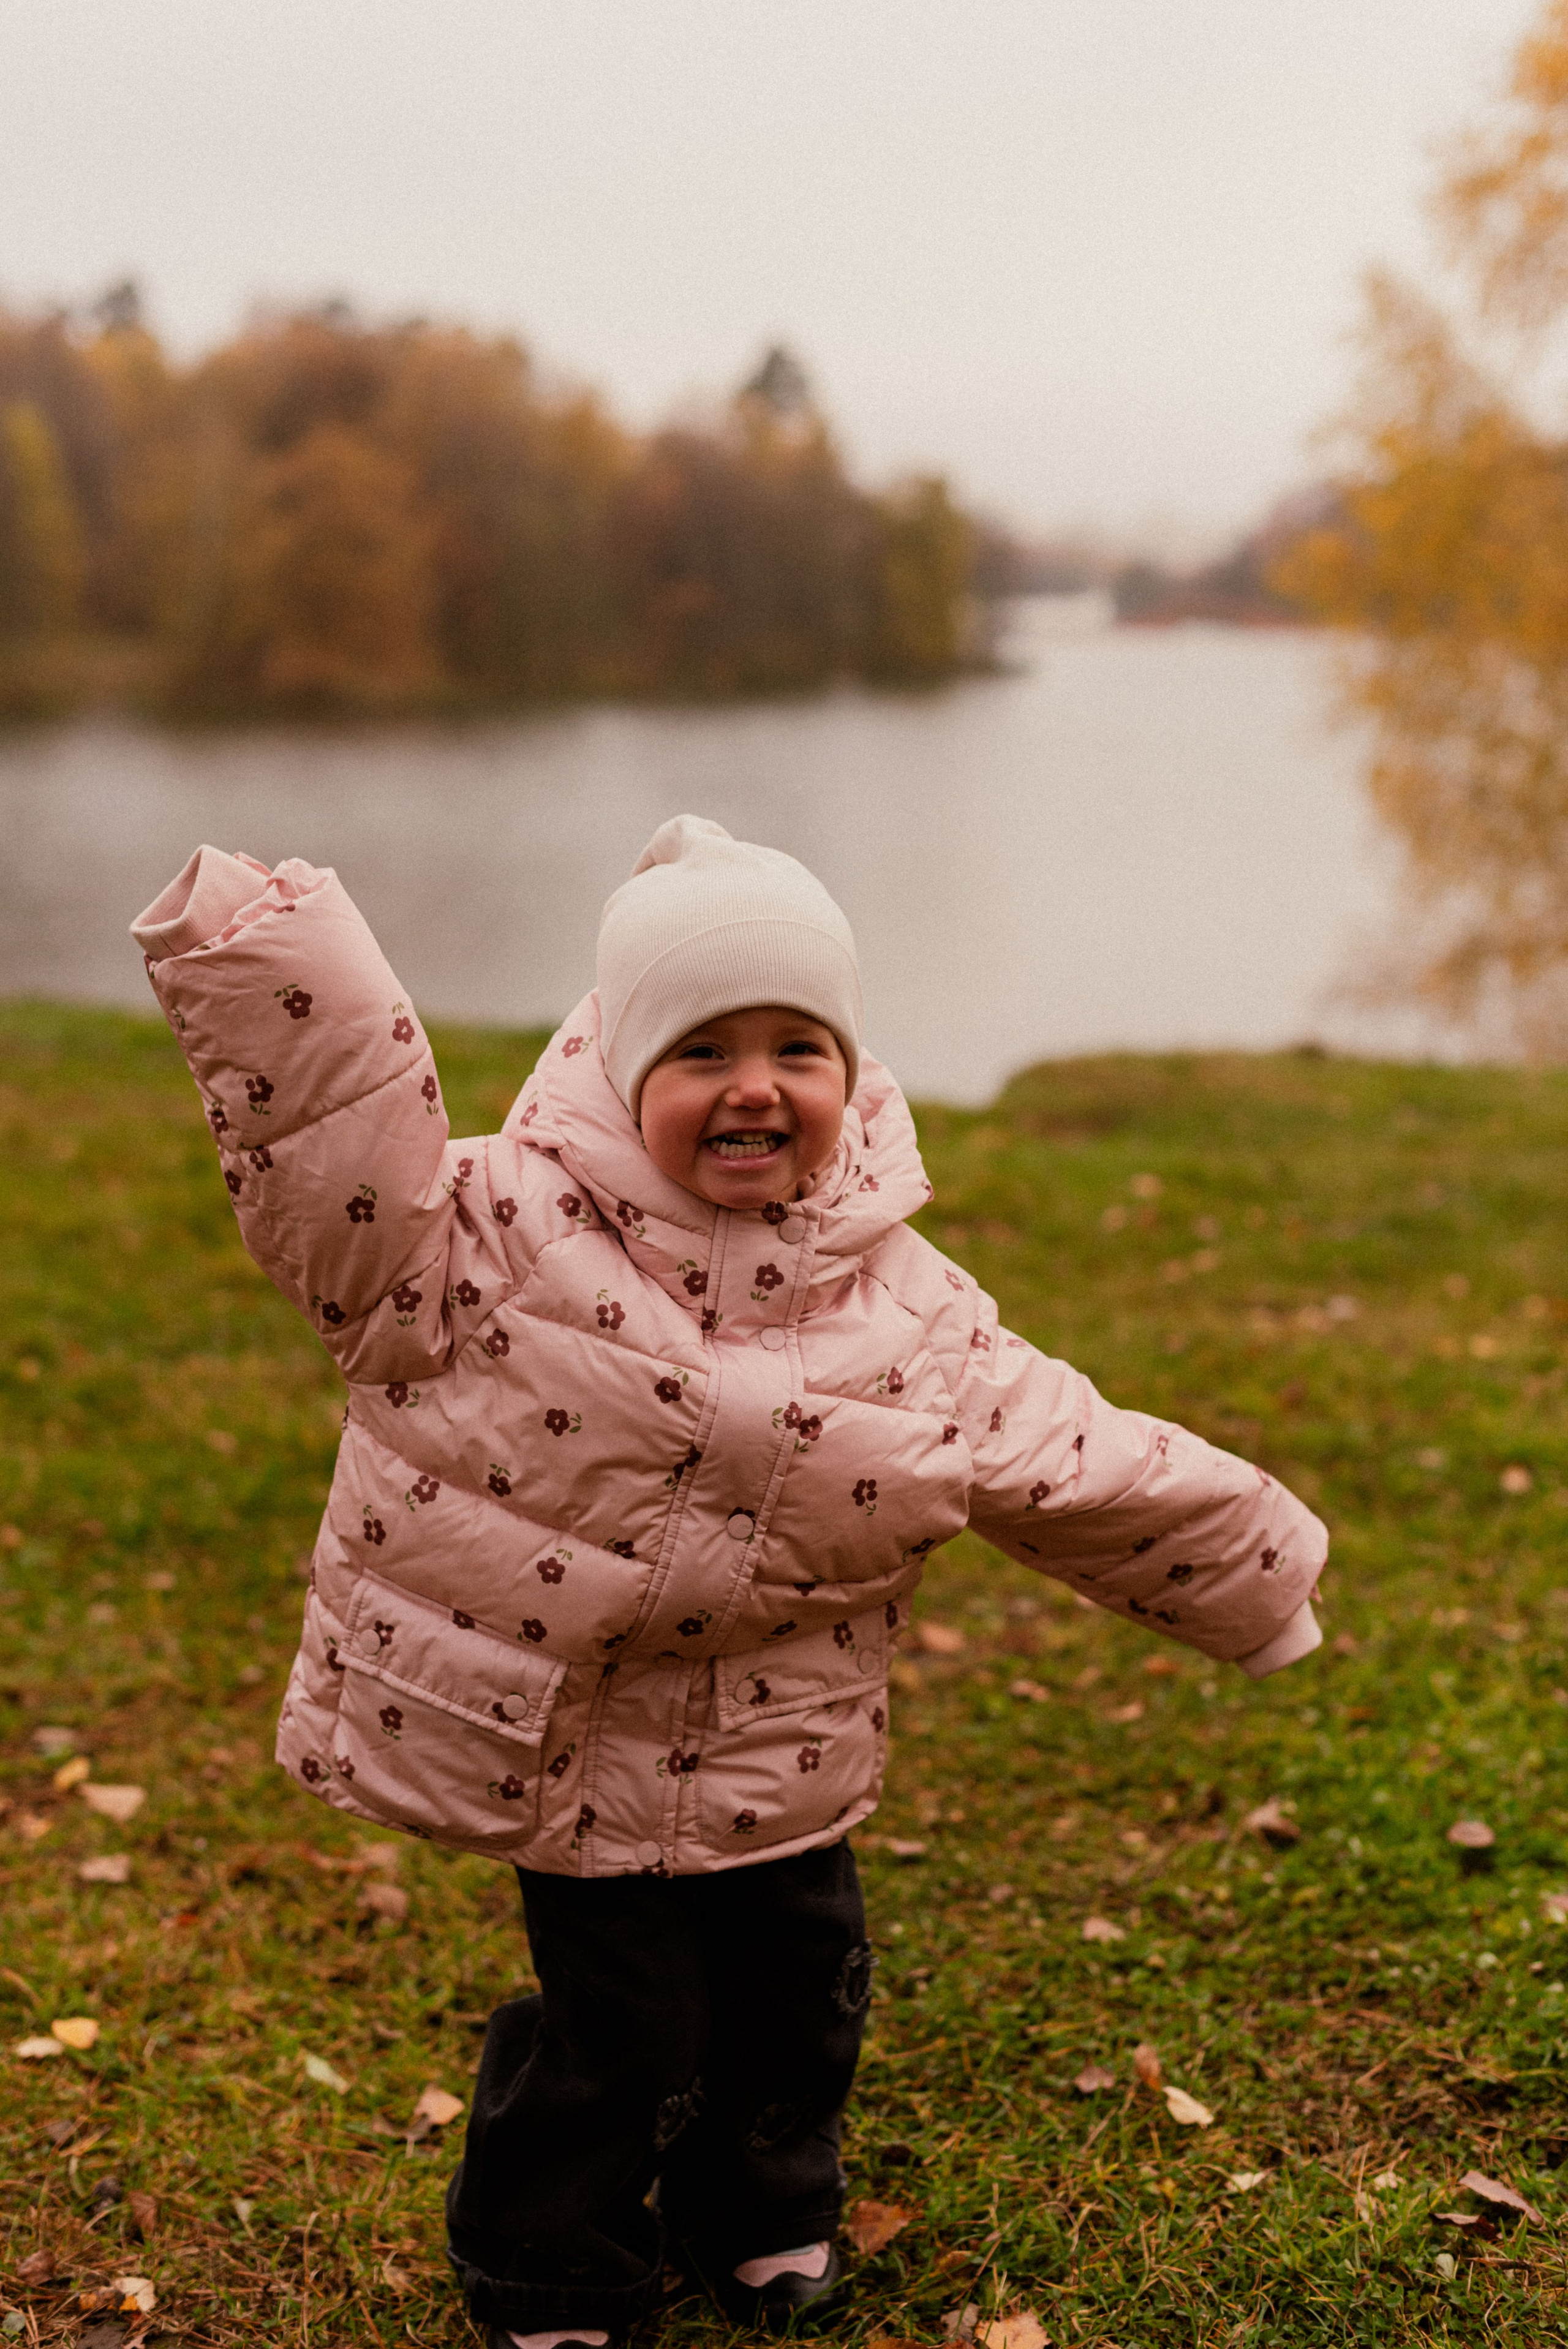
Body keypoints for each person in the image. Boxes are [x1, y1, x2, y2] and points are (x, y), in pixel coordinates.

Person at [130, 815, 1327, 2347]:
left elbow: (1073, 1454)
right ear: (624, 1070)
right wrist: (263, 949)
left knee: (796, 2001)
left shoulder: (906, 1304)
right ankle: (549, 2256)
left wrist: (1249, 1579)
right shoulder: (481, 1238)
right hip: (568, 1747)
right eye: (703, 1048)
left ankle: (758, 2206)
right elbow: (334, 1153)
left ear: (848, 1072)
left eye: (797, 1047)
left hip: (785, 1740)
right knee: (622, 2025)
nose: (754, 1084)